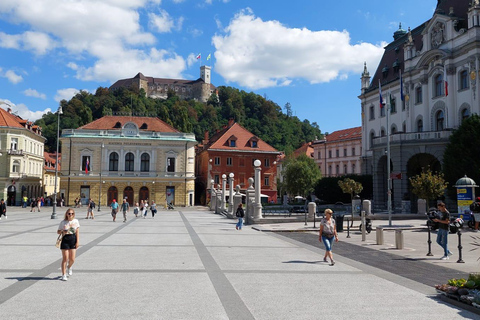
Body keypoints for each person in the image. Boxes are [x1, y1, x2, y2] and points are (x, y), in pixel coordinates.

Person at [57, 208, 80, 281]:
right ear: (66, 214)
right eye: (69, 213)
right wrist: (63, 230)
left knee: (72, 259)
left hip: (73, 239)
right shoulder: (63, 222)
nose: (70, 215)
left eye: (72, 213)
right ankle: (64, 274)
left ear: (74, 214)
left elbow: (77, 232)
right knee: (65, 258)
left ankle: (69, 266)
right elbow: (58, 232)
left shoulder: (76, 221)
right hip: (65, 239)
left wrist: (77, 242)